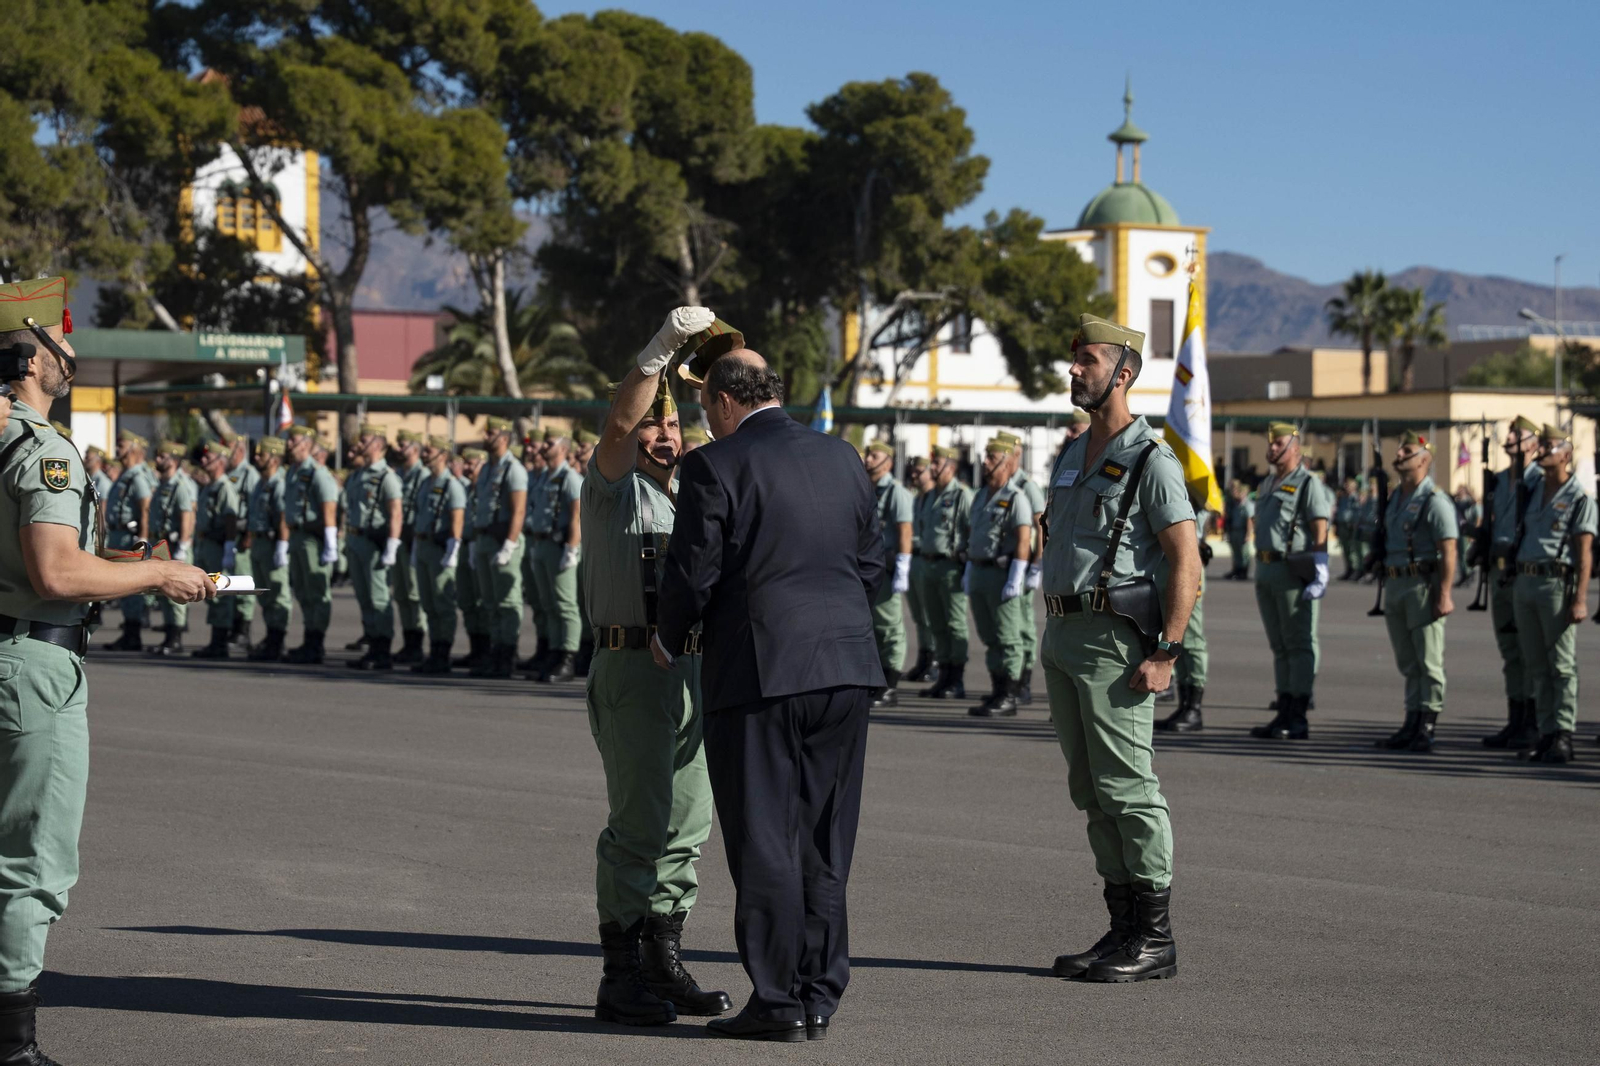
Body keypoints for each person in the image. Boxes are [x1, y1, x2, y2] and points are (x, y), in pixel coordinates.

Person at [0, 279, 214, 1064]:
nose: (73, 354)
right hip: (31, 663)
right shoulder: (44, 451)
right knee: (31, 861)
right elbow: (55, 575)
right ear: (29, 357)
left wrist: (127, 562)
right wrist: (157, 578)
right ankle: (11, 1045)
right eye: (60, 342)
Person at [654, 350, 884, 1042]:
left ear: (724, 401)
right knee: (824, 838)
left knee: (764, 839)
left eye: (703, 407)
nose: (704, 420)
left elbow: (694, 570)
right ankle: (819, 991)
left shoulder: (714, 464)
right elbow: (873, 565)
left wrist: (670, 634)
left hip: (761, 670)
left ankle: (779, 999)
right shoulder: (843, 458)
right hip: (845, 666)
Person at [584, 310, 732, 1028]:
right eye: (653, 427)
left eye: (674, 427)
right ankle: (620, 974)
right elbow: (616, 429)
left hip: (694, 671)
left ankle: (662, 959)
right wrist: (657, 355)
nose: (662, 436)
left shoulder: (697, 494)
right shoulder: (612, 489)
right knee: (639, 826)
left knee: (686, 827)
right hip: (633, 669)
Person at [1040, 313, 1198, 984]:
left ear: (1124, 374)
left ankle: (1156, 936)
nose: (1076, 369)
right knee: (1090, 790)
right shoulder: (1073, 453)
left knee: (1129, 787)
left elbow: (1184, 560)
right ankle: (1122, 926)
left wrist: (1167, 650)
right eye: (1074, 360)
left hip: (1116, 643)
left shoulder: (1150, 458)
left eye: (1090, 361)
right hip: (1064, 636)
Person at [1511, 423, 1595, 764]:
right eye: (1541, 445)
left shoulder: (1579, 499)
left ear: (1567, 454)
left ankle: (1563, 735)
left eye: (1549, 445)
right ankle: (1545, 733)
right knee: (1535, 664)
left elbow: (1584, 553)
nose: (1542, 450)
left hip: (1557, 584)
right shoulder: (1531, 490)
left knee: (1561, 665)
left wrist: (1580, 599)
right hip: (1526, 581)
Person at [1373, 431, 1457, 752]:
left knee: (1428, 660)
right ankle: (1411, 721)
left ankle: (1427, 725)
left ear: (1424, 459)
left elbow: (1448, 549)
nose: (1398, 456)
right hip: (1395, 584)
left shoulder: (1434, 500)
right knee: (1408, 661)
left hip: (1423, 586)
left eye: (1406, 451)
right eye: (1399, 450)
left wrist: (1445, 593)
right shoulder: (1395, 497)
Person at [1249, 422, 1331, 740]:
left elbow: (1319, 529)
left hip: (1291, 570)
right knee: (1279, 645)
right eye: (1269, 444)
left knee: (1298, 644)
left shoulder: (1308, 483)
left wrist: (1320, 568)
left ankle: (1298, 714)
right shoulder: (1269, 482)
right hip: (1266, 569)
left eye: (1278, 443)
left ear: (1295, 447)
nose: (1271, 448)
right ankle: (1283, 707)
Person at [1481, 417, 1543, 749]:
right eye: (1510, 434)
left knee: (1528, 649)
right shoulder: (1499, 480)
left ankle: (1532, 720)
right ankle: (1515, 718)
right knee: (1509, 650)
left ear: (1534, 444)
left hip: (1522, 570)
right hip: (1498, 569)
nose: (1510, 439)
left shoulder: (1539, 481)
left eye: (1518, 435)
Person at [963, 436, 1033, 717]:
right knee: (989, 637)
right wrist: (968, 569)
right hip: (979, 571)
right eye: (986, 457)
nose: (985, 463)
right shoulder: (980, 495)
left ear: (1006, 463)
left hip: (1001, 574)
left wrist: (1017, 577)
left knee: (1008, 637)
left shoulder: (1016, 498)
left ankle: (1010, 694)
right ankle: (996, 689)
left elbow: (1023, 540)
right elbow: (973, 535)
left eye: (992, 458)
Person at [469, 417, 528, 678]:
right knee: (490, 602)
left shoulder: (513, 469)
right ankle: (495, 652)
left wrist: (509, 545)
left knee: (507, 601)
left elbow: (518, 510)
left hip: (503, 540)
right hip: (483, 539)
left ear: (503, 437)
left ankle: (507, 655)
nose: (486, 436)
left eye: (490, 432)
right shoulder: (487, 469)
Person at [343, 424, 404, 670]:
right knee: (364, 596)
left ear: (378, 445)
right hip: (356, 539)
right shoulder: (358, 474)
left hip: (374, 542)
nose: (359, 444)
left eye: (365, 440)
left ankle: (383, 649)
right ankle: (371, 643)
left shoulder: (386, 476)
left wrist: (392, 545)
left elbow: (395, 512)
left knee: (379, 597)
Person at [281, 424, 341, 664]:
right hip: (297, 536)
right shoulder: (293, 472)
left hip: (313, 539)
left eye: (293, 440)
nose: (288, 444)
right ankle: (309, 639)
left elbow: (329, 508)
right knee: (304, 593)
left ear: (307, 444)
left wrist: (330, 544)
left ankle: (317, 643)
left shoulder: (318, 472)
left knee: (317, 592)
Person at [916, 445, 973, 700]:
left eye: (937, 463)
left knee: (954, 624)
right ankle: (943, 675)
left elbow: (971, 530)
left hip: (951, 567)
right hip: (929, 565)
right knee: (936, 624)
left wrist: (967, 565)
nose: (933, 468)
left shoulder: (962, 495)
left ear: (951, 466)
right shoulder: (929, 495)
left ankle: (956, 679)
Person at [861, 441, 913, 708]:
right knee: (874, 626)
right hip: (870, 566)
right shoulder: (869, 488)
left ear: (888, 462)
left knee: (890, 627)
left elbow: (905, 530)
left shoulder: (896, 492)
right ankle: (879, 680)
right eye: (868, 454)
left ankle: (891, 685)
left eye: (875, 455)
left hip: (888, 567)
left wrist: (903, 566)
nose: (868, 459)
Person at [1157, 482, 1212, 733]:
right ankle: (1184, 703)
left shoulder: (1192, 480)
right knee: (1173, 635)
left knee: (1191, 639)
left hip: (1186, 566)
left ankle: (1194, 707)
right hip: (1165, 565)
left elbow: (1204, 513)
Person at [529, 431, 583, 682]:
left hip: (560, 547)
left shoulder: (569, 478)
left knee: (565, 604)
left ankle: (568, 656)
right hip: (541, 544)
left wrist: (572, 549)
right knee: (548, 603)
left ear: (562, 449)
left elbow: (576, 516)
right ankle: (554, 650)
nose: (543, 447)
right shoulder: (544, 477)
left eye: (549, 444)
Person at [998, 431, 1047, 705]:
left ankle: (1024, 681)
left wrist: (1037, 564)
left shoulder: (1026, 485)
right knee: (1013, 624)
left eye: (1011, 453)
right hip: (1007, 564)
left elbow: (1040, 525)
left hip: (1025, 563)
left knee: (1024, 624)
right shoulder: (1004, 484)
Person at [411, 436, 466, 675]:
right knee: (428, 603)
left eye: (429, 451)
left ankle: (443, 653)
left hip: (440, 550)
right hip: (423, 546)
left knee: (442, 603)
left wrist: (453, 552)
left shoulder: (451, 485)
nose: (424, 454)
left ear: (442, 455)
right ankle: (433, 650)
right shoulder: (425, 482)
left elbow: (457, 520)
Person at [190, 440, 245, 659]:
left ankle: (220, 642)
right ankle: (215, 640)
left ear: (220, 461)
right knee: (211, 591)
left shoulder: (224, 486)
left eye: (208, 457)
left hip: (218, 544)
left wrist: (229, 548)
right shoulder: (210, 486)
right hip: (207, 544)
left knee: (219, 592)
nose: (203, 460)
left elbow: (230, 518)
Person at [102, 430, 155, 649]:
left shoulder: (137, 476)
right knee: (122, 585)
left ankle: (133, 634)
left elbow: (145, 508)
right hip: (117, 534)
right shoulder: (126, 474)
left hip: (128, 536)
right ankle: (129, 631)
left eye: (121, 445)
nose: (117, 449)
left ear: (134, 448)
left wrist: (142, 538)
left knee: (131, 586)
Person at [144, 441, 198, 656]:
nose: (157, 460)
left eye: (162, 456)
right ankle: (168, 635)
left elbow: (187, 516)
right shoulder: (163, 484)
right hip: (161, 544)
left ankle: (175, 638)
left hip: (175, 544)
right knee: (163, 591)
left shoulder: (180, 485)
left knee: (176, 593)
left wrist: (183, 546)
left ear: (174, 460)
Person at [247, 435, 293, 662]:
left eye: (261, 454)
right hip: (259, 543)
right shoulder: (261, 481)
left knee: (278, 593)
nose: (256, 457)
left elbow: (284, 516)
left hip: (273, 542)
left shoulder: (279, 483)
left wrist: (282, 546)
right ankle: (270, 635)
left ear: (274, 459)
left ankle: (278, 639)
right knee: (264, 594)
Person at [392, 429, 430, 664]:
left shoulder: (422, 475)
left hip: (413, 539)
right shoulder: (398, 474)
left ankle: (417, 641)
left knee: (415, 594)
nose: (398, 449)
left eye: (402, 445)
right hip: (399, 539)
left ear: (415, 449)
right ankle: (408, 640)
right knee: (402, 594)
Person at [453, 447, 491, 669]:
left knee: (483, 601)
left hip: (480, 545)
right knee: (467, 601)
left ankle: (487, 650)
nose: (467, 467)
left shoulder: (486, 490)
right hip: (466, 546)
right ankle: (475, 648)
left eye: (472, 463)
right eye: (465, 463)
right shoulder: (466, 489)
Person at [903, 457, 938, 683]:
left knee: (930, 615)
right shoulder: (917, 498)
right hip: (914, 558)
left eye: (918, 472)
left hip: (929, 559)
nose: (914, 476)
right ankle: (924, 658)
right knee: (918, 615)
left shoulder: (938, 498)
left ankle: (934, 660)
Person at [518, 432, 550, 673]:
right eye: (528, 448)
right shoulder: (532, 476)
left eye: (535, 447)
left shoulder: (554, 477)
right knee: (538, 602)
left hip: (549, 543)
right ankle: (543, 648)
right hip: (530, 540)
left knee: (555, 603)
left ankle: (558, 652)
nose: (530, 451)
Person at [224, 432, 260, 649]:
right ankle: (233, 625)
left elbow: (254, 508)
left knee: (244, 582)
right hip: (229, 535)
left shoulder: (249, 474)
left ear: (240, 450)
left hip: (242, 534)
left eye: (228, 449)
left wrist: (249, 534)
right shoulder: (229, 474)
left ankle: (244, 630)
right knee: (229, 583)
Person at [1452, 483, 1480, 588]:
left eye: (1461, 490)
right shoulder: (1456, 502)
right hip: (1457, 530)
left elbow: (1475, 501)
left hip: (1466, 530)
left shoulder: (1467, 502)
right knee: (1460, 554)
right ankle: (1464, 574)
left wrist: (1469, 491)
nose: (1459, 491)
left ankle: (1469, 573)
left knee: (1465, 553)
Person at [1225, 480, 1254, 579]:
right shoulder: (1233, 504)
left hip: (1242, 531)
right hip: (1234, 530)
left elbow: (1249, 519)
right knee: (1236, 551)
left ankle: (1243, 571)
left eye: (1237, 491)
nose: (1235, 493)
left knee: (1243, 552)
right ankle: (1236, 570)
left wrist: (1248, 534)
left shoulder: (1247, 504)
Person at [1333, 477, 1359, 579]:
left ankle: (1355, 569)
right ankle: (1348, 569)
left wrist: (1354, 524)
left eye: (1348, 485)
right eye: (1346, 485)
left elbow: (1357, 512)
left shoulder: (1354, 498)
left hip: (1350, 526)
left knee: (1352, 549)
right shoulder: (1343, 498)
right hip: (1342, 524)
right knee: (1345, 549)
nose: (1346, 487)